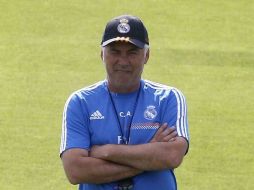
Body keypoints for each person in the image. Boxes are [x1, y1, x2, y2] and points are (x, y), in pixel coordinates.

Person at [60, 14, 190, 190]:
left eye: (132, 52)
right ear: (102, 54)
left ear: (146, 56)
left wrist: (106, 152)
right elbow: (75, 170)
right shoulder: (81, 102)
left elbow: (172, 156)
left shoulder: (168, 98)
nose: (123, 61)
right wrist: (149, 154)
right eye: (115, 51)